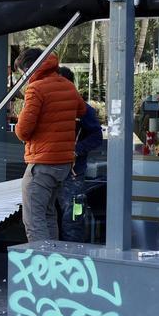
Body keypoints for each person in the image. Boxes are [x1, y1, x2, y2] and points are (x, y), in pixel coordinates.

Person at [14, 47, 85, 245]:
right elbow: (81, 109)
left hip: (42, 162)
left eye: (23, 73)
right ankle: (54, 259)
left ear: (29, 68)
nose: (24, 78)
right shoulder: (67, 85)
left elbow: (23, 131)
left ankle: (42, 266)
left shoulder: (36, 89)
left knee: (33, 218)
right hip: (63, 163)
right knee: (48, 213)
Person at [56, 66, 105, 242]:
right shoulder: (50, 107)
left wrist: (77, 150)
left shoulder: (82, 109)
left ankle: (72, 255)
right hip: (49, 170)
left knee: (73, 217)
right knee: (49, 216)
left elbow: (97, 137)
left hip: (73, 174)